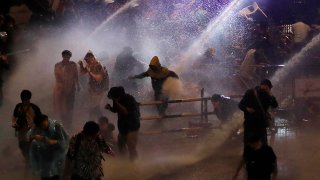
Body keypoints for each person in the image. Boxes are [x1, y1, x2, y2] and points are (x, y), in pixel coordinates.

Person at [28, 114, 69, 180]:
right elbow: (28, 137)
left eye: (44, 125)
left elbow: (66, 141)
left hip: (55, 157)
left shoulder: (57, 127)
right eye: (41, 126)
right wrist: (34, 137)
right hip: (43, 159)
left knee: (54, 175)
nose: (43, 127)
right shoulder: (37, 127)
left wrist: (55, 142)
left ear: (46, 120)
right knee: (45, 176)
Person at [238, 79, 278, 145]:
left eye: (268, 88)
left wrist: (270, 95)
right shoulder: (250, 93)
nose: (267, 89)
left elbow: (275, 105)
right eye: (266, 87)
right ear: (262, 86)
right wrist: (247, 109)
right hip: (250, 123)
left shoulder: (267, 95)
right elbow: (240, 105)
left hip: (261, 124)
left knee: (263, 144)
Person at [105, 86, 140, 161]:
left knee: (131, 145)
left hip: (132, 124)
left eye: (113, 98)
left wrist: (117, 102)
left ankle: (133, 163)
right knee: (121, 143)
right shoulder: (116, 99)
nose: (113, 100)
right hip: (123, 125)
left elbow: (125, 111)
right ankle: (123, 160)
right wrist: (110, 108)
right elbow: (115, 110)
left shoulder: (129, 99)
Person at [12, 89, 42, 164]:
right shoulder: (18, 107)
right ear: (22, 99)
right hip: (21, 131)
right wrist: (14, 123)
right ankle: (28, 160)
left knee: (30, 147)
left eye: (28, 99)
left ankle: (30, 162)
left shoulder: (34, 108)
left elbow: (40, 119)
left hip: (32, 131)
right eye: (25, 99)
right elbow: (14, 116)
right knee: (22, 145)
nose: (27, 101)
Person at [79, 51, 109, 121]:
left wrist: (90, 72)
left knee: (94, 106)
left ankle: (94, 121)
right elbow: (82, 73)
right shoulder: (90, 65)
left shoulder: (98, 66)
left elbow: (98, 78)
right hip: (93, 88)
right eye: (86, 60)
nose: (87, 61)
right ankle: (99, 121)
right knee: (94, 106)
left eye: (88, 60)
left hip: (99, 89)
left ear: (92, 58)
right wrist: (81, 65)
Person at [54, 50, 80, 129]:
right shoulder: (57, 65)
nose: (66, 58)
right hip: (61, 89)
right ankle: (64, 122)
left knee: (70, 106)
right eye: (65, 56)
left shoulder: (73, 64)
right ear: (62, 56)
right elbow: (57, 77)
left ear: (70, 57)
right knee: (62, 106)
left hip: (71, 89)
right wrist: (60, 87)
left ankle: (69, 123)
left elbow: (76, 75)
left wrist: (78, 85)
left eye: (68, 56)